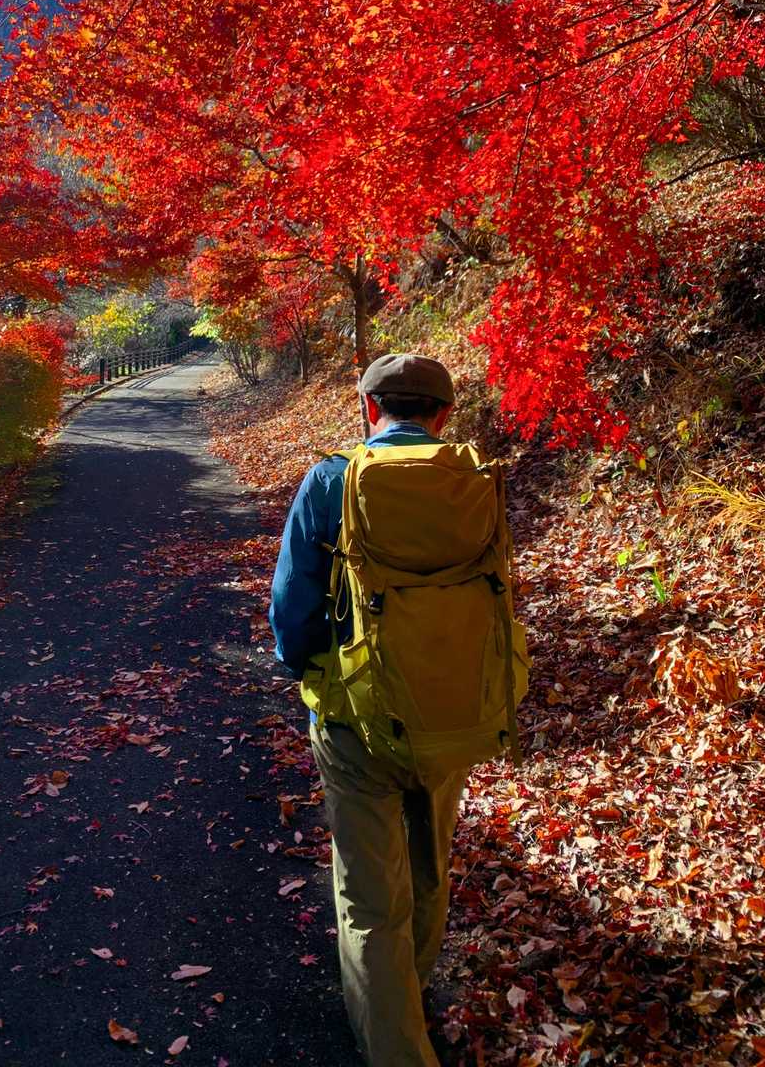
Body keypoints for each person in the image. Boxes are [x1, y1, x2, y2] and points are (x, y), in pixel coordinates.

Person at [269, 352, 475, 1067]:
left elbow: (293, 605)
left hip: (354, 712)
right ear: (444, 415)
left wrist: (303, 669)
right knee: (429, 868)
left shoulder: (333, 480)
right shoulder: (472, 479)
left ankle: (395, 1044)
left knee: (367, 895)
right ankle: (410, 994)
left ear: (368, 409)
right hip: (451, 710)